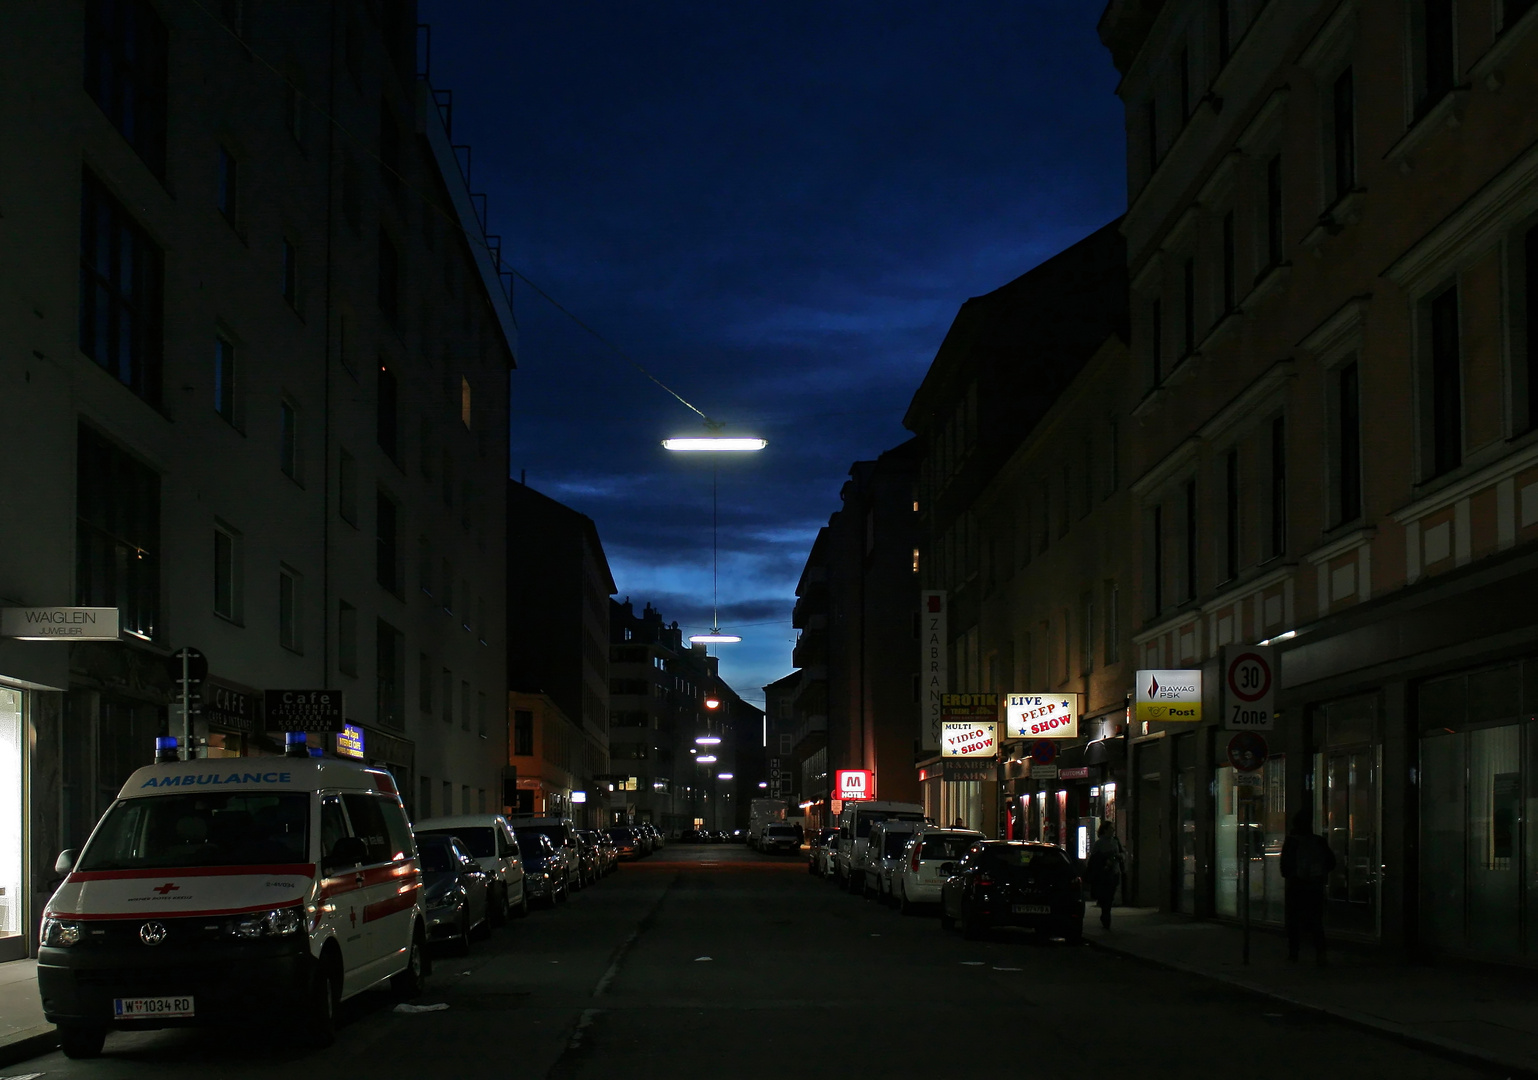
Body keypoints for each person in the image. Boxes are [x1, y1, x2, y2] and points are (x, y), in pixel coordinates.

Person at [1280, 808, 1336, 965]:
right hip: (1314, 886)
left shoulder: (1291, 842)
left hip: (1296, 886)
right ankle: (1320, 953)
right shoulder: (1318, 841)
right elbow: (1331, 862)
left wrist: (1294, 874)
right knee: (1316, 922)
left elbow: (1284, 868)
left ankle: (1294, 954)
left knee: (1294, 922)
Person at [1086, 822, 1124, 930]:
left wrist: (1118, 857)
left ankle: (1106, 913)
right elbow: (1094, 859)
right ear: (1105, 830)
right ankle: (1106, 915)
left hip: (1114, 873)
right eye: (1111, 828)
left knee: (1110, 895)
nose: (1113, 830)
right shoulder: (1099, 843)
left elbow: (1122, 853)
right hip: (1103, 874)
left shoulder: (1115, 841)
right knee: (1105, 896)